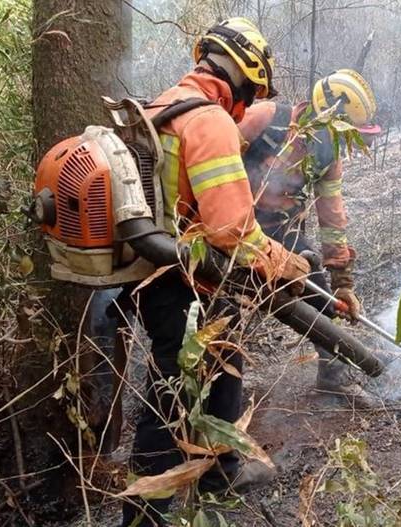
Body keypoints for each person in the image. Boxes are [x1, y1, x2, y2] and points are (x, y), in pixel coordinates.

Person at [120, 17, 309, 527]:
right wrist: (285, 262)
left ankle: (220, 473)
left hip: (159, 271)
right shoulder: (209, 120)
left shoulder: (163, 105)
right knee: (171, 398)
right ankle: (144, 515)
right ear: (245, 74)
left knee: (225, 358)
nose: (250, 103)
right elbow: (231, 231)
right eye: (254, 91)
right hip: (181, 281)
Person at [237, 69, 380, 401]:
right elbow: (212, 157)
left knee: (321, 303)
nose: (342, 143)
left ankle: (332, 377)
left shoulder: (329, 157)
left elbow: (332, 217)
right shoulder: (265, 119)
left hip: (282, 231)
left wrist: (342, 281)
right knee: (222, 307)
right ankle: (216, 387)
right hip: (232, 226)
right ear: (326, 114)